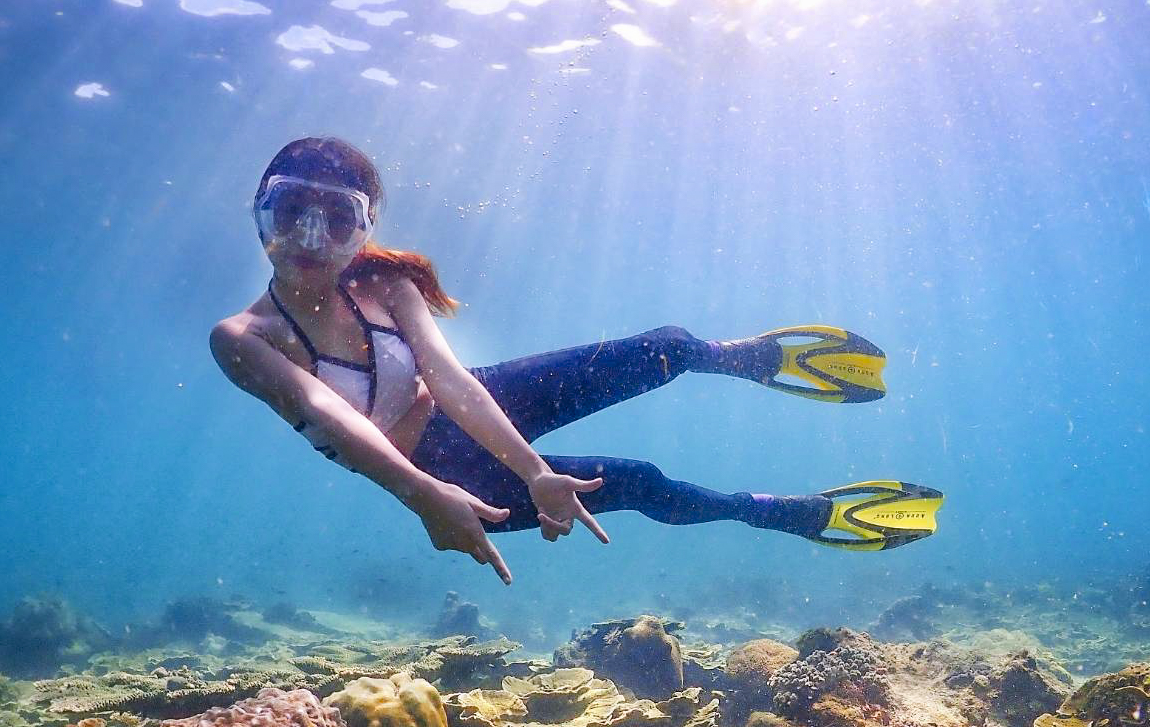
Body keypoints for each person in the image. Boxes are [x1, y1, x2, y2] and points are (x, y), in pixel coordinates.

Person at [211, 137, 942, 585]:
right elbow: (333, 421)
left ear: (365, 228)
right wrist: (424, 495)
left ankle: (733, 359)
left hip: (469, 410)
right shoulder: (245, 337)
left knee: (664, 344)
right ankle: (781, 514)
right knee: (638, 482)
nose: (311, 237)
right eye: (290, 211)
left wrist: (534, 470)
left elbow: (452, 382)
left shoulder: (385, 285)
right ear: (259, 213)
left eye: (339, 218)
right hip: (433, 470)